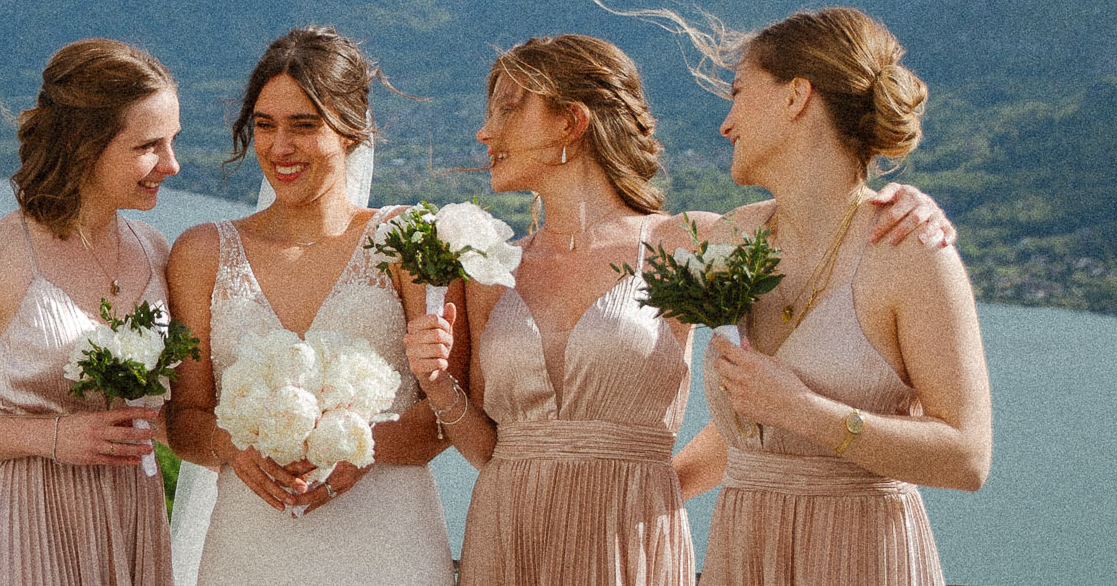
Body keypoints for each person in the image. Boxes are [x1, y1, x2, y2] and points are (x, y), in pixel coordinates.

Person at [401, 35, 954, 586]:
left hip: (632, 535)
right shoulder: (490, 270)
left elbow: (815, 247)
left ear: (571, 122)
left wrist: (905, 203)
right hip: (507, 535)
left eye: (507, 107)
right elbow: (487, 449)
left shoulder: (697, 241)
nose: (484, 131)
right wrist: (436, 380)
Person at [683, 7, 993, 586]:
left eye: (739, 93)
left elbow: (968, 456)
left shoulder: (908, 250)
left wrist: (807, 412)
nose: (726, 124)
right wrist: (653, 496)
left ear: (796, 96)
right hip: (742, 553)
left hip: (861, 556)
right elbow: (755, 432)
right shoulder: (731, 237)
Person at [165, 28, 455, 586]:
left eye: (304, 125)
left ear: (351, 132)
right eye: (266, 125)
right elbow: (186, 419)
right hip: (252, 538)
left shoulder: (408, 241)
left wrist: (361, 449)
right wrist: (233, 446)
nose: (279, 148)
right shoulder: (201, 252)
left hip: (387, 537)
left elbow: (445, 415)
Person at [0, 38, 183, 586]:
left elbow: (170, 418)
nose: (171, 164)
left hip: (129, 515)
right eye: (149, 145)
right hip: (15, 521)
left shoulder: (155, 250)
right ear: (83, 144)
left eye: (172, 141)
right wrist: (51, 438)